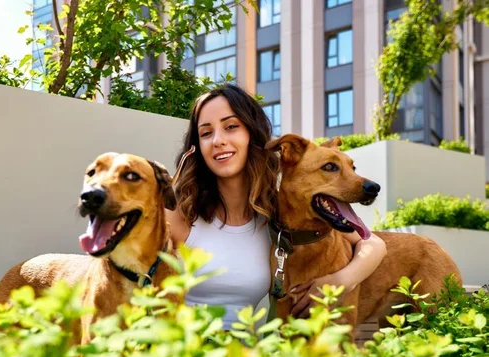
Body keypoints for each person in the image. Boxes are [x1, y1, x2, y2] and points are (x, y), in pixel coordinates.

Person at [165, 83, 387, 329]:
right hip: (182, 353)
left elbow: (373, 243)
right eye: (206, 133)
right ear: (197, 146)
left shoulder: (277, 213)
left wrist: (341, 280)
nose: (218, 140)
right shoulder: (180, 211)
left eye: (231, 127)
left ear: (252, 134)